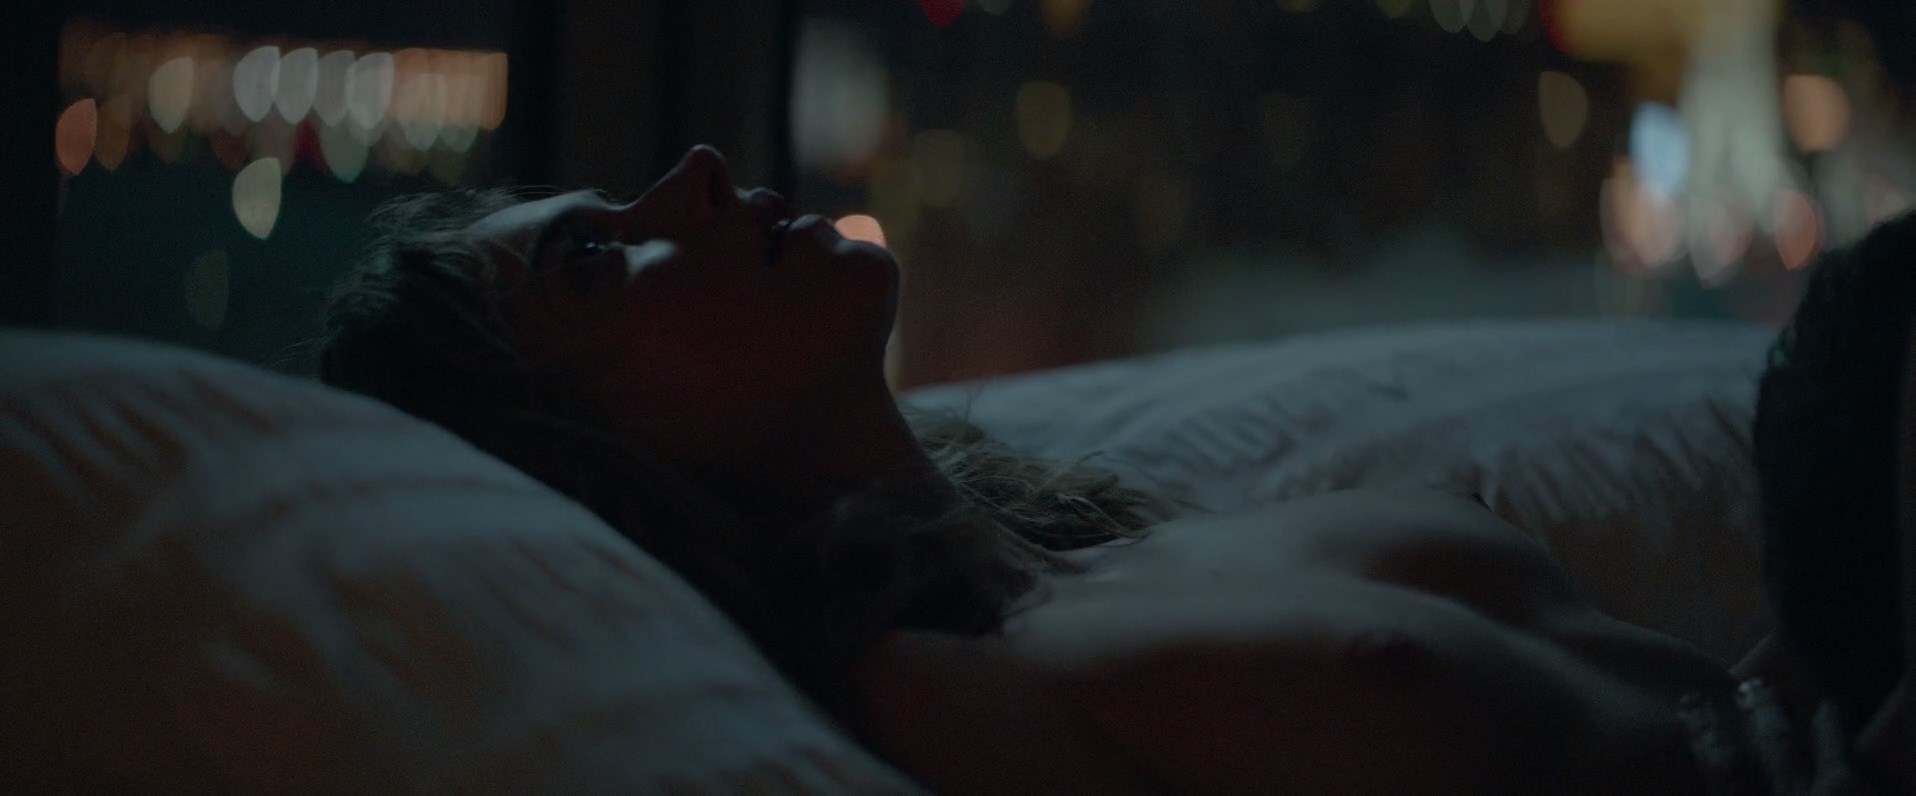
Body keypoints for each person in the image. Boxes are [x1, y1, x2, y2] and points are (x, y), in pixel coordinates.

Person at [316, 145, 1904, 793]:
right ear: (588, 465)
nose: (698, 175)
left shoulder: (1107, 548)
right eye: (598, 262)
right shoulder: (924, 701)